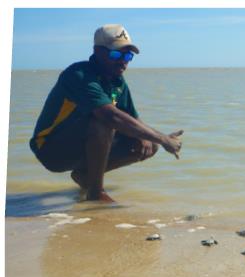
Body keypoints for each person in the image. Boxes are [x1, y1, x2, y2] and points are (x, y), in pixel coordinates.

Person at [29, 24, 183, 202]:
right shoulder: (79, 74)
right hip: (50, 149)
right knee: (105, 121)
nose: (123, 61)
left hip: (80, 145)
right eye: (116, 54)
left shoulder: (117, 82)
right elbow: (111, 116)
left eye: (127, 55)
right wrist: (164, 139)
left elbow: (132, 118)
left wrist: (156, 139)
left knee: (146, 143)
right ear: (97, 51)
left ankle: (86, 176)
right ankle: (95, 193)